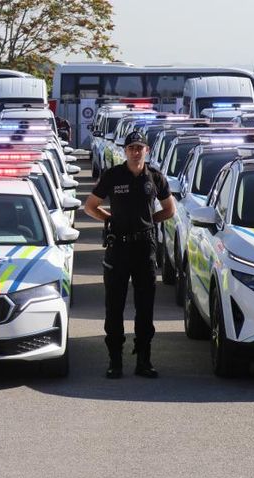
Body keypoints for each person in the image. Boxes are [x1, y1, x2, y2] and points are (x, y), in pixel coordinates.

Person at [84, 131, 175, 379]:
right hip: (119, 248)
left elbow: (169, 210)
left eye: (139, 147)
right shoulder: (113, 175)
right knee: (114, 306)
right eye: (131, 148)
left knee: (145, 307)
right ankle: (115, 360)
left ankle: (144, 360)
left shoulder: (155, 177)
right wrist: (109, 219)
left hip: (145, 247)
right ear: (125, 151)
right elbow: (90, 206)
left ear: (147, 150)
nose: (136, 151)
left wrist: (148, 223)